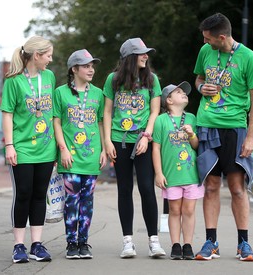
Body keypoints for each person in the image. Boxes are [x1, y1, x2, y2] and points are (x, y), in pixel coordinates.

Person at [193, 13, 253, 262]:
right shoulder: (205, 52)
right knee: (210, 186)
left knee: (236, 188)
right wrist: (202, 87)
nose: (205, 42)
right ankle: (210, 242)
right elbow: (198, 78)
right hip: (207, 126)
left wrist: (250, 138)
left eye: (208, 38)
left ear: (221, 37)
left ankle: (244, 243)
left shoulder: (248, 57)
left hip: (235, 128)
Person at [103, 37, 166, 258]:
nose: (146, 56)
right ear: (130, 57)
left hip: (143, 141)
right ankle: (127, 241)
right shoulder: (113, 80)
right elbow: (108, 112)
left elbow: (155, 111)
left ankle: (153, 241)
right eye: (141, 53)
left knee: (147, 189)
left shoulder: (152, 79)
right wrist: (108, 141)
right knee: (124, 190)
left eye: (146, 52)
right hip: (120, 141)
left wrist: (147, 136)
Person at [0, 36, 56, 263]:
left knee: (40, 195)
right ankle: (18, 245)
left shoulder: (49, 77)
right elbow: (7, 114)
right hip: (22, 147)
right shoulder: (13, 81)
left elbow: (52, 113)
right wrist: (9, 145)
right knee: (23, 193)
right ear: (37, 55)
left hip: (46, 147)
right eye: (48, 55)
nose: (51, 60)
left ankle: (37, 244)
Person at [53, 49, 107, 259]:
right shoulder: (60, 92)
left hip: (91, 157)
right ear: (74, 69)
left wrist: (103, 148)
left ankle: (83, 242)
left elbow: (101, 122)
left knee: (87, 200)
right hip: (70, 157)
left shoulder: (98, 93)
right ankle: (71, 243)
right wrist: (63, 149)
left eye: (92, 66)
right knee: (71, 201)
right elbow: (56, 121)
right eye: (86, 66)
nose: (90, 69)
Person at [152, 82, 205, 260]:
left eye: (184, 92)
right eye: (179, 92)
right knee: (174, 210)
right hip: (171, 175)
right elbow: (156, 149)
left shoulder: (192, 118)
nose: (184, 94)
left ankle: (188, 244)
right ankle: (175, 245)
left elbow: (196, 146)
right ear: (169, 100)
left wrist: (191, 134)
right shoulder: (161, 120)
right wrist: (159, 173)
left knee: (189, 210)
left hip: (191, 175)